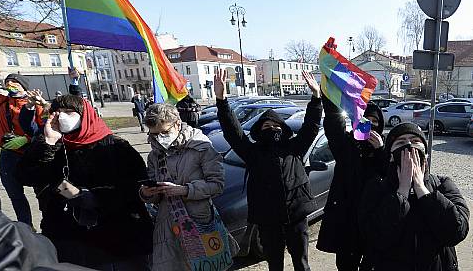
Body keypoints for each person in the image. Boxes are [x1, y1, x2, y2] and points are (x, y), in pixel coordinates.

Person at [17, 94, 154, 270]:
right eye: (57, 113)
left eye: (69, 112)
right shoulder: (52, 144)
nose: (62, 117)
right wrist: (49, 143)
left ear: (85, 115)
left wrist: (93, 197)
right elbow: (24, 176)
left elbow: (136, 187)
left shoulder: (115, 147)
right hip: (67, 236)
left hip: (115, 236)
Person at [215, 69, 322, 271]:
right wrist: (222, 101)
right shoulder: (252, 152)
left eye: (276, 125)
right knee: (275, 264)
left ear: (283, 129)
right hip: (267, 219)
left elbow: (312, 126)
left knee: (301, 263)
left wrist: (316, 97)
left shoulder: (294, 147)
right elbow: (233, 131)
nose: (272, 128)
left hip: (296, 215)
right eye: (266, 125)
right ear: (259, 130)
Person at [358, 123, 470, 271]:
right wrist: (402, 192)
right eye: (401, 142)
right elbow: (374, 236)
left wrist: (422, 189)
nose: (409, 145)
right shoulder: (376, 187)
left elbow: (456, 232)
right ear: (390, 156)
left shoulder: (443, 184)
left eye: (415, 141)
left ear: (426, 153)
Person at [139, 103, 225, 270]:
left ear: (177, 123)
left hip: (197, 222)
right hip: (166, 226)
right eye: (154, 134)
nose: (159, 138)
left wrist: (185, 190)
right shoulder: (154, 155)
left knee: (202, 267)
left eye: (164, 133)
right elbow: (154, 192)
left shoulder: (201, 146)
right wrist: (147, 193)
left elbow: (217, 184)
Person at [316, 98, 388, 271]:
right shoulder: (347, 145)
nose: (370, 125)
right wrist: (329, 96)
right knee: (346, 265)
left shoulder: (385, 148)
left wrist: (380, 150)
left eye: (375, 122)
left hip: (373, 220)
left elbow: (389, 175)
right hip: (347, 221)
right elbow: (333, 124)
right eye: (366, 120)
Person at [0, 73, 43, 226]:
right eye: (7, 82)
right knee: (15, 195)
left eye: (14, 82)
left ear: (23, 86)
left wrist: (26, 139)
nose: (10, 85)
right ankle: (26, 227)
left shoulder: (35, 103)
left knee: (40, 192)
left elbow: (44, 128)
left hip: (30, 153)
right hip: (8, 154)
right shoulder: (2, 101)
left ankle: (49, 224)